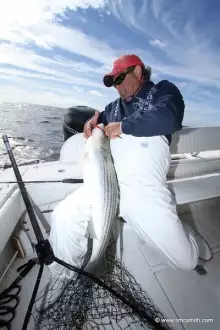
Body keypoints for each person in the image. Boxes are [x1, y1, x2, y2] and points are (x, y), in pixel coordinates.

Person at [83, 54, 212, 270]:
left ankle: (190, 236)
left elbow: (169, 118)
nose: (117, 87)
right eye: (113, 83)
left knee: (186, 261)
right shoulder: (113, 107)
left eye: (119, 79)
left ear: (137, 72)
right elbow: (98, 124)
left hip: (143, 192)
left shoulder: (162, 91)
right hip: (108, 187)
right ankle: (66, 277)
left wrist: (123, 127)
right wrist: (91, 122)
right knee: (63, 219)